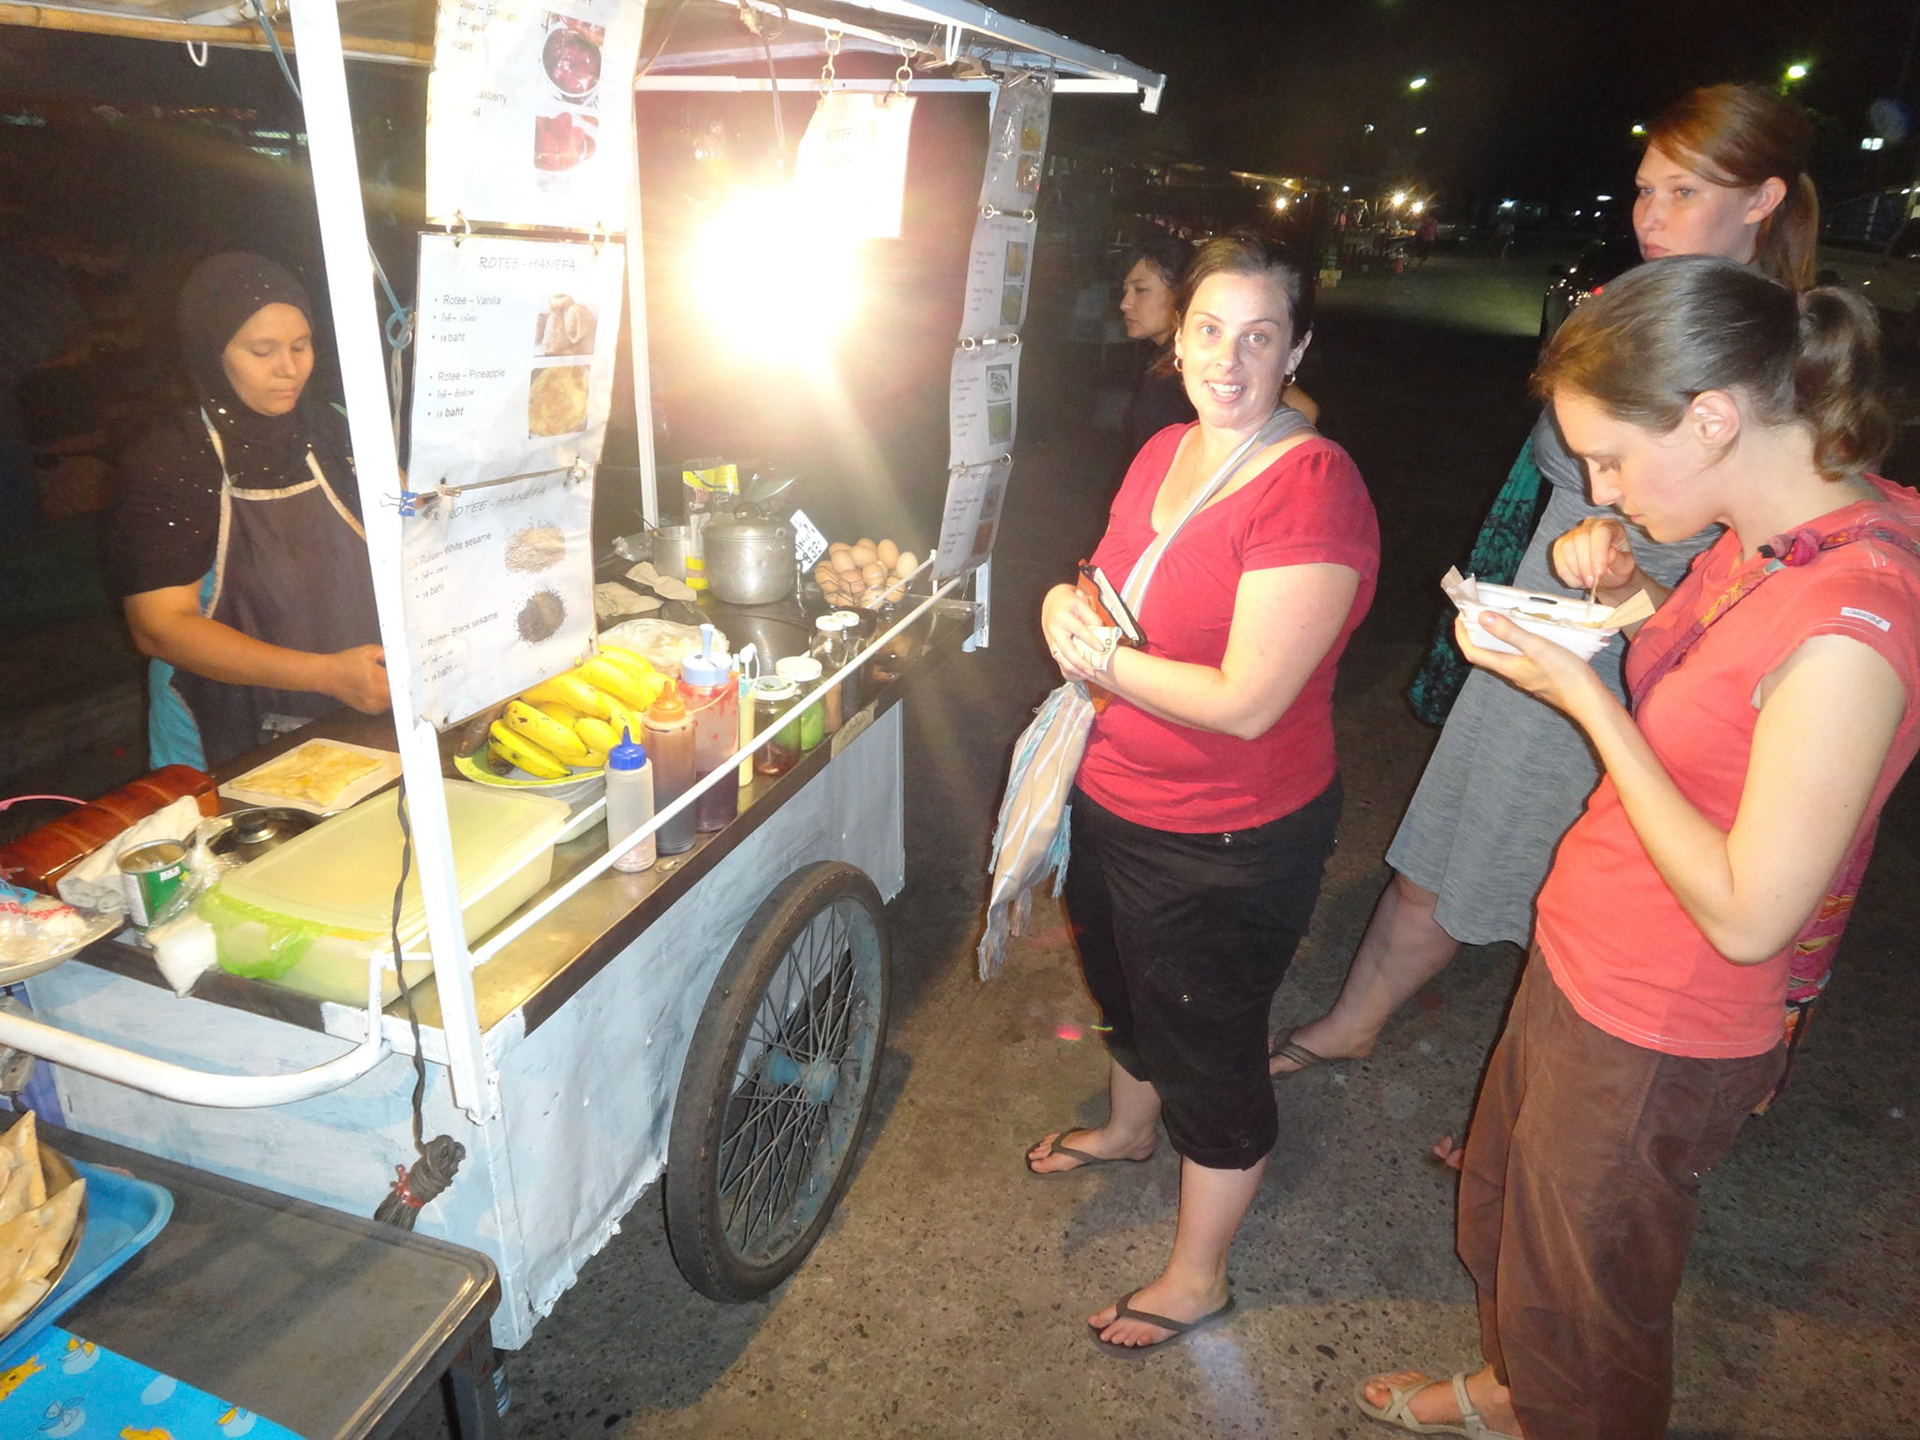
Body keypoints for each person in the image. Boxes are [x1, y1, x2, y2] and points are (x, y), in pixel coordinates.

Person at [1359, 256, 1917, 1439]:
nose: (1599, 488)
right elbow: (1725, 696)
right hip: (1591, 953)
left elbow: (1751, 912)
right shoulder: (1771, 532)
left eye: (1609, 459)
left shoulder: (1855, 624)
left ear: (1713, 417)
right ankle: (1521, 1395)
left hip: (1661, 1018)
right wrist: (1622, 605)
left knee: (1590, 1308)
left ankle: (1554, 1405)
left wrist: (1587, 697)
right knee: (1516, 1218)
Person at [1273, 84, 1819, 1077]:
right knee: (1448, 842)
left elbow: (1775, 536)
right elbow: (1556, 465)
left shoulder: (1781, 353)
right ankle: (1363, 1024)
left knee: (1595, 884)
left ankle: (1530, 1100)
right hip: (1547, 602)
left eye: (1683, 192)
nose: (1649, 217)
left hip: (1650, 640)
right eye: (1644, 189)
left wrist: (1623, 549)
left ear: (1763, 200)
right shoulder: (1626, 303)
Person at [1028, 236, 1379, 1350]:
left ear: (1297, 349)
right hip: (1116, 791)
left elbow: (1245, 701)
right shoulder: (1167, 448)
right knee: (1128, 991)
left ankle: (1199, 1276)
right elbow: (1104, 588)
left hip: (1228, 834)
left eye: (1261, 336)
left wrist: (1090, 661)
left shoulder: (1312, 485)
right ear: (1176, 339)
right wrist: (1055, 607)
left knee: (1212, 1046)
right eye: (1210, 331)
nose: (1230, 360)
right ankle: (1134, 1129)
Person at [105, 252, 387, 770]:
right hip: (225, 723)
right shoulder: (169, 457)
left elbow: (402, 515)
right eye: (263, 351)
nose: (289, 368)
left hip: (356, 699)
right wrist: (325, 674)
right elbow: (159, 627)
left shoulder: (330, 426)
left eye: (301, 347)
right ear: (213, 353)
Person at [1117, 233, 1196, 458]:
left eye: (1140, 290)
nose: (1125, 304)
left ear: (1182, 293)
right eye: (1125, 291)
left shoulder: (1198, 366)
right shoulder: (1163, 359)